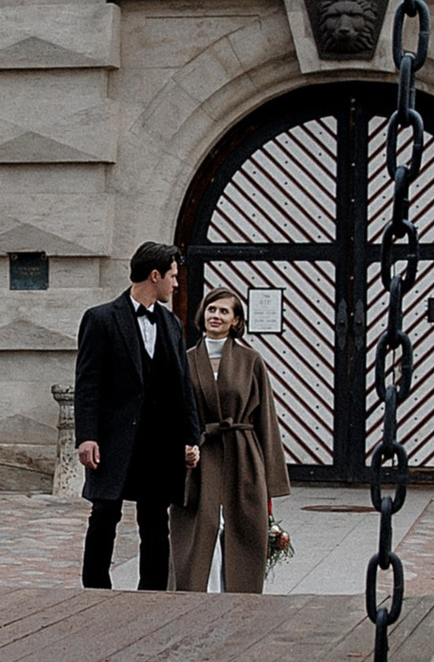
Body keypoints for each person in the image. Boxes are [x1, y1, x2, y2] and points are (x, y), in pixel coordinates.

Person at [74, 242, 203, 589]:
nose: (176, 284)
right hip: (114, 438)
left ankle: (152, 595)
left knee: (155, 521)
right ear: (155, 275)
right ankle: (95, 590)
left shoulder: (172, 324)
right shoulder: (100, 319)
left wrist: (192, 438)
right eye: (173, 276)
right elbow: (87, 383)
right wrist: (87, 435)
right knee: (104, 515)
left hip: (160, 441)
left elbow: (182, 387)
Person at [174, 285, 291, 595]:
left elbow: (265, 416)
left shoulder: (250, 360)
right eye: (212, 309)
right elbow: (174, 410)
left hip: (242, 453)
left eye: (224, 311)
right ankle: (202, 594)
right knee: (203, 526)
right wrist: (180, 449)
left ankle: (237, 596)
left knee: (240, 527)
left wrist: (272, 476)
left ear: (236, 320)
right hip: (200, 455)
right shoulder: (185, 359)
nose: (216, 315)